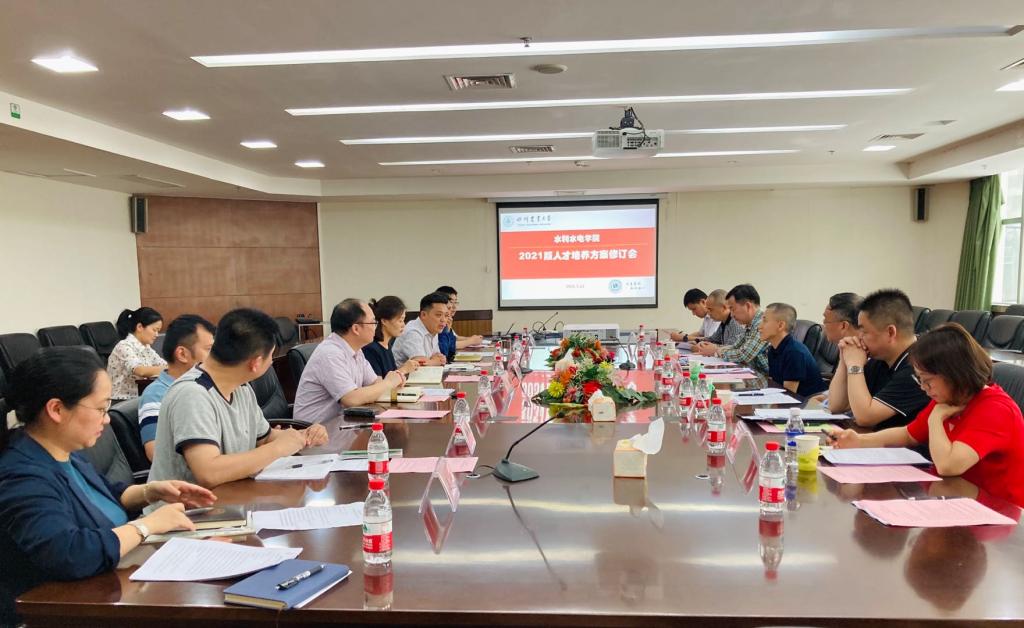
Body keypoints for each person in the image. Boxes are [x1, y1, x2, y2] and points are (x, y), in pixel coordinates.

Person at [0, 348, 216, 625]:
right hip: (70, 610)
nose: (107, 418)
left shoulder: (64, 450)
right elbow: (69, 553)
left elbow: (104, 494)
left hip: (114, 584)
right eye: (101, 408)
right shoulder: (22, 475)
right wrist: (147, 526)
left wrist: (151, 492)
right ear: (56, 409)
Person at [828, 323, 1024, 507]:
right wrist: (860, 440)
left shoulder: (995, 410)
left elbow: (948, 466)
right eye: (920, 379)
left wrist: (936, 419)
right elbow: (908, 434)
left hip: (998, 510)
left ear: (955, 375)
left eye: (927, 381)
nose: (923, 388)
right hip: (957, 498)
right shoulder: (951, 398)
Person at [148, 308, 328, 488]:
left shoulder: (242, 388)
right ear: (256, 363)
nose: (272, 362)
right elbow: (209, 472)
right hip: (184, 505)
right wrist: (278, 448)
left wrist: (303, 436)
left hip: (232, 496)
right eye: (271, 356)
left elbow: (264, 438)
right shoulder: (192, 394)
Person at [828, 288, 930, 430]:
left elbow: (865, 417)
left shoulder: (919, 367)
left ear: (890, 332)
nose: (859, 337)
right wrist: (844, 359)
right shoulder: (881, 358)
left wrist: (854, 365)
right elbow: (836, 405)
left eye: (864, 331)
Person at [294, 299, 410, 423]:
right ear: (356, 329)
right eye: (373, 322)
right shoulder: (330, 353)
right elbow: (351, 399)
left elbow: (374, 383)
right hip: (314, 429)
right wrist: (389, 383)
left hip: (343, 423)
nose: (376, 327)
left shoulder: (356, 350)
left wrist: (393, 381)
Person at [137, 315, 216, 461]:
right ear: (182, 354)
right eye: (209, 349)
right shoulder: (156, 394)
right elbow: (155, 452)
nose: (215, 357)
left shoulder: (209, 385)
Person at [758, 303, 827, 396]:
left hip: (807, 402)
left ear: (780, 325)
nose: (759, 326)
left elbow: (788, 396)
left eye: (764, 321)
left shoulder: (794, 353)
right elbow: (775, 385)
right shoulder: (772, 349)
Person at [697, 284, 769, 372]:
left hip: (767, 378)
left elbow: (744, 355)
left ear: (747, 306)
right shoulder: (750, 325)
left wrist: (715, 351)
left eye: (732, 309)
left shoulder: (761, 324)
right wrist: (712, 348)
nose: (731, 315)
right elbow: (735, 347)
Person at [107, 307, 167, 401]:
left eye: (158, 331)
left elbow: (162, 364)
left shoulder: (146, 347)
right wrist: (170, 369)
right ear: (140, 327)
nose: (156, 334)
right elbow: (140, 371)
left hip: (139, 398)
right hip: (121, 401)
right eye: (154, 330)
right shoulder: (123, 346)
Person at [362, 296, 421, 378]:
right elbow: (379, 383)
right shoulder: (371, 349)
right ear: (384, 321)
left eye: (403, 320)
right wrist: (403, 369)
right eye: (400, 320)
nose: (403, 325)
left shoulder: (387, 345)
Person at [392, 292, 450, 366]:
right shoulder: (413, 332)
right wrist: (435, 362)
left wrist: (436, 360)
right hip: (404, 373)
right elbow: (420, 364)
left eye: (446, 315)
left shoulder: (433, 329)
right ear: (423, 315)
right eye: (438, 315)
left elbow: (438, 357)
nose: (443, 320)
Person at [435, 286, 484, 351]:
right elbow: (449, 345)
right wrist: (471, 341)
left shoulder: (448, 320)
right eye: (451, 302)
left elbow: (453, 338)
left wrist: (471, 339)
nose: (454, 307)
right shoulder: (437, 321)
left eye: (455, 302)